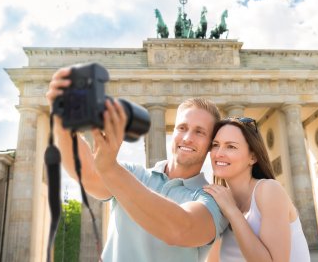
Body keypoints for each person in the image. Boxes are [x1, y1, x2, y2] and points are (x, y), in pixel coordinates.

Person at [46, 66, 228, 261]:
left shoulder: (215, 201)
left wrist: (110, 169)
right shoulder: (133, 174)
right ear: (173, 132)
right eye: (182, 128)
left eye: (199, 132)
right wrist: (61, 121)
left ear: (211, 144)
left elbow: (179, 229)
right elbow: (87, 174)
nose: (187, 138)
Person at [203, 117, 310, 262]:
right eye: (215, 145)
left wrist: (232, 211)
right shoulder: (220, 201)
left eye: (231, 146)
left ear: (252, 157)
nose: (218, 153)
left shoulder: (269, 190)